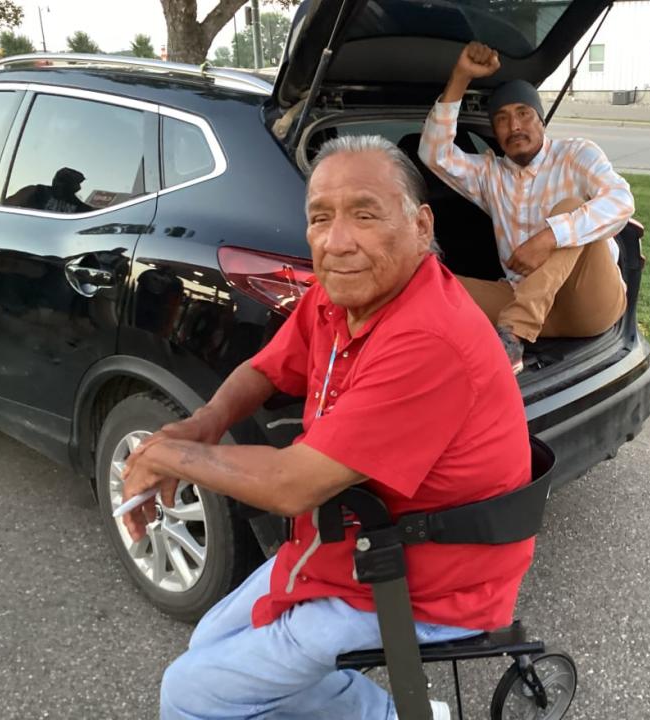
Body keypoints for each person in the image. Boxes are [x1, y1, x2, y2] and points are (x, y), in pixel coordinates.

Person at [120, 135, 533, 720]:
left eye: (365, 214)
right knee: (205, 647)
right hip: (348, 543)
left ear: (420, 226)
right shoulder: (340, 296)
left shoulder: (428, 336)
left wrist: (164, 456)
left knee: (190, 692)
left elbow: (293, 484)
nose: (338, 242)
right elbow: (266, 368)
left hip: (422, 580)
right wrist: (204, 424)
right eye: (321, 217)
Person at [419, 41, 636, 374]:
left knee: (571, 206)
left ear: (541, 120)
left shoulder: (575, 154)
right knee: (427, 281)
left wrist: (549, 237)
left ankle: (512, 334)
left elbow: (621, 200)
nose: (515, 126)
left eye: (523, 114)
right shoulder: (490, 173)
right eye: (503, 119)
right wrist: (462, 75)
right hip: (522, 299)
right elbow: (435, 154)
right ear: (495, 131)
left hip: (588, 304)